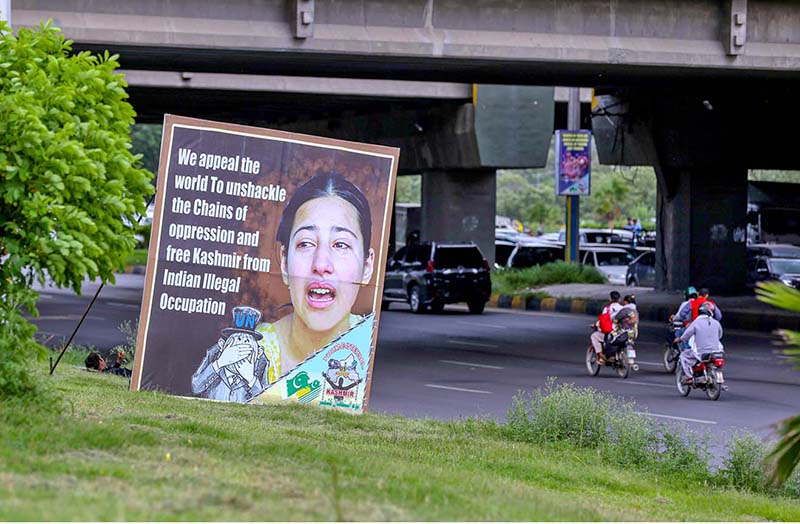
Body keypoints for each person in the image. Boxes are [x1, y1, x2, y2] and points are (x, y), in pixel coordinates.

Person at [255, 170, 375, 383]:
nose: (321, 265)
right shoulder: (251, 355)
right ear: (284, 262)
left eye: (341, 244)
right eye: (306, 243)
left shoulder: (370, 344)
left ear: (367, 266)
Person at [192, 306, 271, 402]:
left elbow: (264, 402)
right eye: (238, 340)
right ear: (222, 345)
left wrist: (251, 379)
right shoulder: (214, 356)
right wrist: (220, 363)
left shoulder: (261, 365)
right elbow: (196, 387)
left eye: (247, 341)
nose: (241, 347)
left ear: (258, 352)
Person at [675, 302, 723, 384]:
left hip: (702, 353)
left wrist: (680, 339)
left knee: (683, 356)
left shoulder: (696, 323)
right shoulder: (717, 323)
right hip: (717, 351)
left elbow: (687, 334)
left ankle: (689, 378)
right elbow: (720, 335)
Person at [590, 291, 622, 364]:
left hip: (611, 333)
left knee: (594, 336)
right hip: (621, 333)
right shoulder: (623, 309)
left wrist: (595, 325)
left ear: (610, 299)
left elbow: (603, 321)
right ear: (619, 299)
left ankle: (601, 357)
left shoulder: (607, 309)